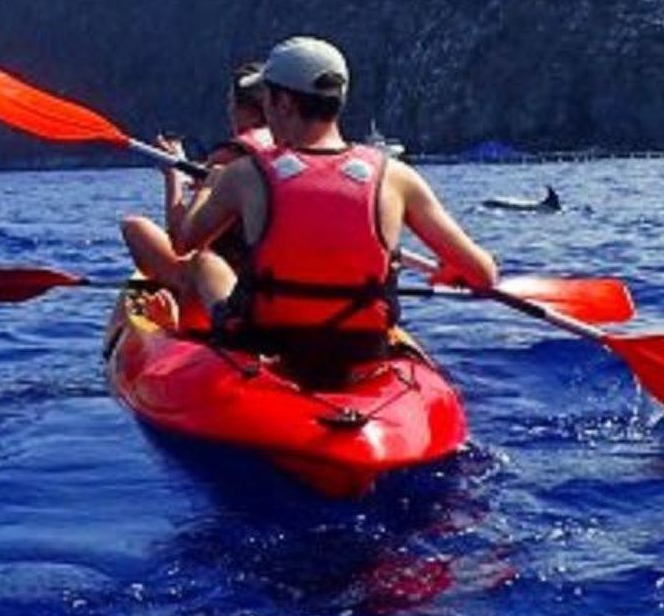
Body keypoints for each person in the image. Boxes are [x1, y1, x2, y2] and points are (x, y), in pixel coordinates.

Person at [134, 35, 498, 385]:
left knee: (205, 263)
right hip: (362, 349)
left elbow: (184, 242)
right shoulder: (397, 177)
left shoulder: (244, 175)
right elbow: (484, 274)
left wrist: (210, 185)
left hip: (267, 343)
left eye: (267, 98)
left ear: (284, 104)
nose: (265, 110)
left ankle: (189, 333)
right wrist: (451, 269)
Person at [119, 61, 269, 288]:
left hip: (227, 278)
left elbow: (182, 240)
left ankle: (180, 287)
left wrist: (173, 176)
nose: (229, 111)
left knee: (134, 227)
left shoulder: (228, 155)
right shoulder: (291, 148)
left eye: (232, 103)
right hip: (270, 271)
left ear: (248, 110)